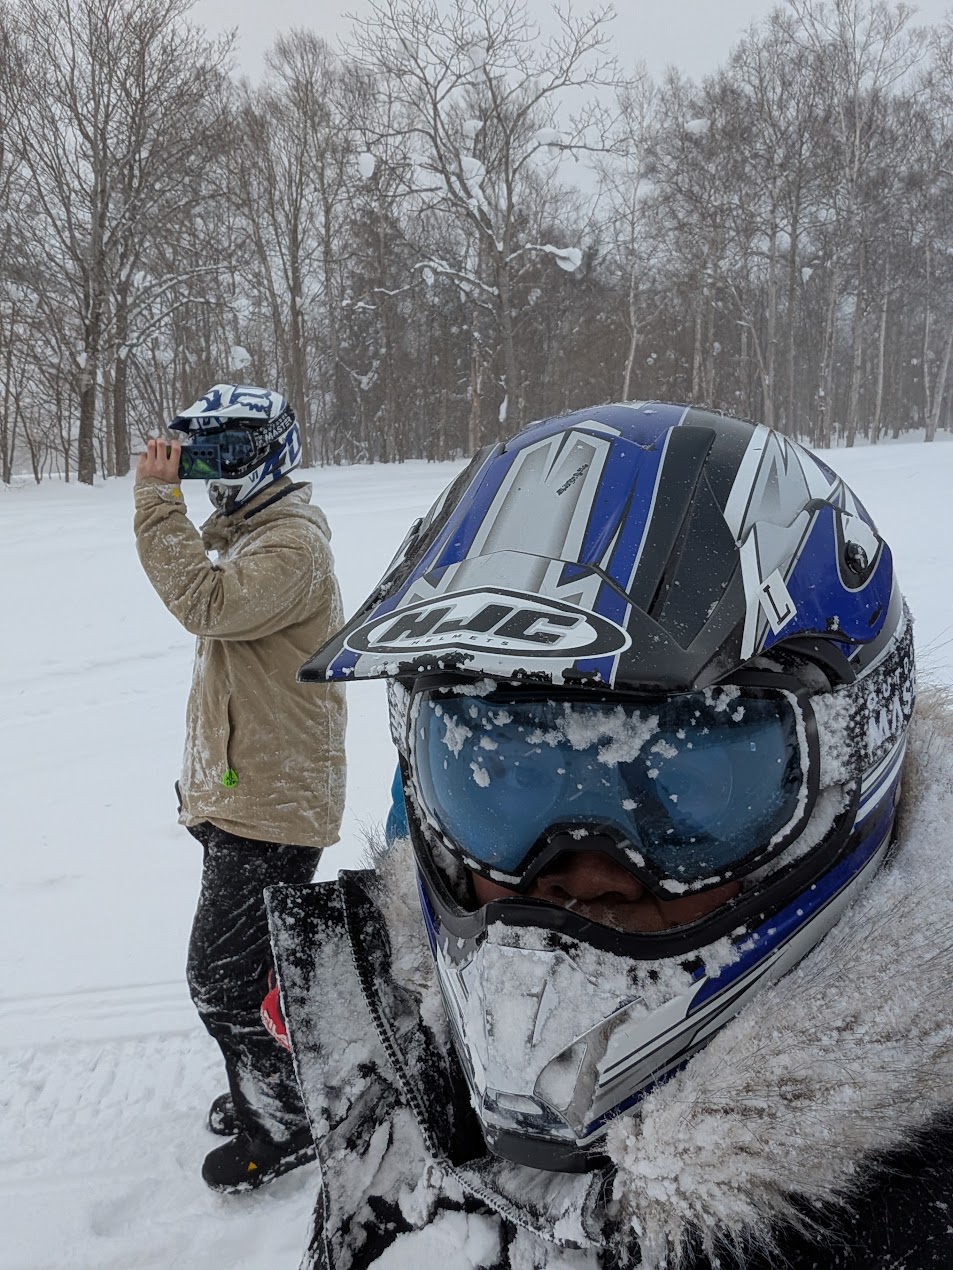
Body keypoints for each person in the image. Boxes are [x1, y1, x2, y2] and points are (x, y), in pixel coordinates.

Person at [265, 400, 953, 1269]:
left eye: (688, 787)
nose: (581, 873)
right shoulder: (402, 1046)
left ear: (850, 772)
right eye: (508, 775)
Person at [133, 382, 346, 1193]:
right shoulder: (257, 531)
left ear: (264, 454)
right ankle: (274, 1089)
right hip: (250, 787)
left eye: (224, 453)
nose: (209, 470)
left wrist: (159, 503)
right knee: (252, 973)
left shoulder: (290, 546)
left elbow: (205, 602)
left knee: (221, 979)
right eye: (203, 454)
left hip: (273, 800)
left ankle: (284, 1123)